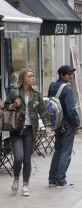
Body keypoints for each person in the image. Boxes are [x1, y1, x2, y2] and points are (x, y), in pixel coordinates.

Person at [5, 68, 53, 196]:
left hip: (30, 130)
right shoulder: (14, 92)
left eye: (33, 76)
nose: (33, 78)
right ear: (23, 79)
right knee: (18, 157)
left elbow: (43, 111)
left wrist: (47, 126)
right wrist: (13, 106)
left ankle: (25, 185)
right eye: (30, 76)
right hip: (16, 130)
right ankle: (16, 178)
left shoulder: (36, 94)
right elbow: (5, 107)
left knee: (27, 159)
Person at [48, 65, 80, 189]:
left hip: (56, 123)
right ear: (62, 75)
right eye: (68, 74)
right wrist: (76, 123)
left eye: (71, 74)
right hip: (67, 124)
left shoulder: (52, 85)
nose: (71, 76)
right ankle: (61, 180)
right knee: (65, 153)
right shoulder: (67, 88)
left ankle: (52, 179)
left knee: (58, 151)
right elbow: (70, 110)